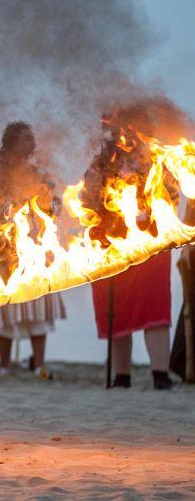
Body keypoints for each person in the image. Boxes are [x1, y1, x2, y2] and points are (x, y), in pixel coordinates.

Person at [83, 107, 176, 390]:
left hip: (149, 243)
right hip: (111, 243)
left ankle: (160, 373)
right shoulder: (102, 161)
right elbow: (86, 198)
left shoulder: (156, 158)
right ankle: (121, 376)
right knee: (116, 311)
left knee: (154, 308)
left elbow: (170, 194)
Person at [0, 122, 66, 380]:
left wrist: (47, 200)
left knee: (37, 306)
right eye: (26, 139)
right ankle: (4, 365)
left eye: (32, 138)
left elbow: (54, 206)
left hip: (35, 243)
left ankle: (39, 366)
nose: (32, 144)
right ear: (13, 143)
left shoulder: (38, 174)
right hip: (3, 245)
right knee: (5, 305)